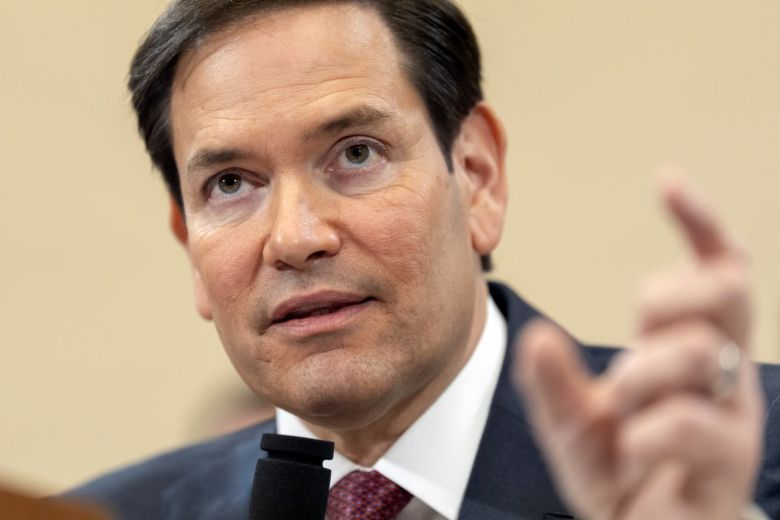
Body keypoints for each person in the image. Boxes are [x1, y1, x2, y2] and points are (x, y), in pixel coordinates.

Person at [64, 0, 780, 518]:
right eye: (230, 184)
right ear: (190, 247)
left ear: (477, 176)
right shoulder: (104, 514)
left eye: (356, 154)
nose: (294, 237)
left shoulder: (741, 469)